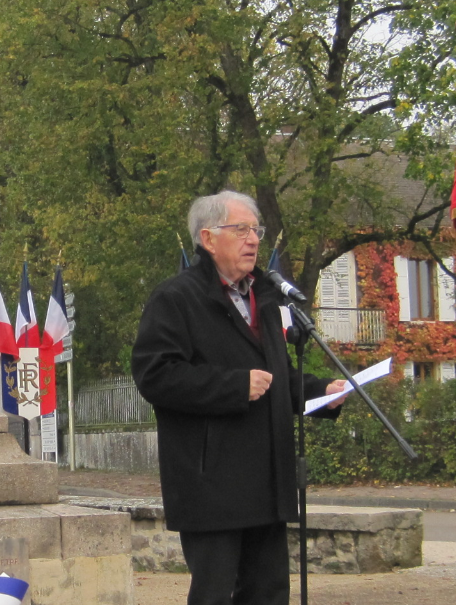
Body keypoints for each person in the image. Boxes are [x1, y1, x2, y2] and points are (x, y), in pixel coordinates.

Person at [131, 190, 348, 605]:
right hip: (212, 483)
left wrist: (321, 392)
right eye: (242, 229)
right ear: (208, 238)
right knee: (215, 594)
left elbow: (275, 376)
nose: (253, 239)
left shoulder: (264, 298)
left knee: (267, 593)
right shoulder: (176, 298)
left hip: (268, 480)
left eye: (257, 230)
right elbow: (154, 375)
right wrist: (233, 386)